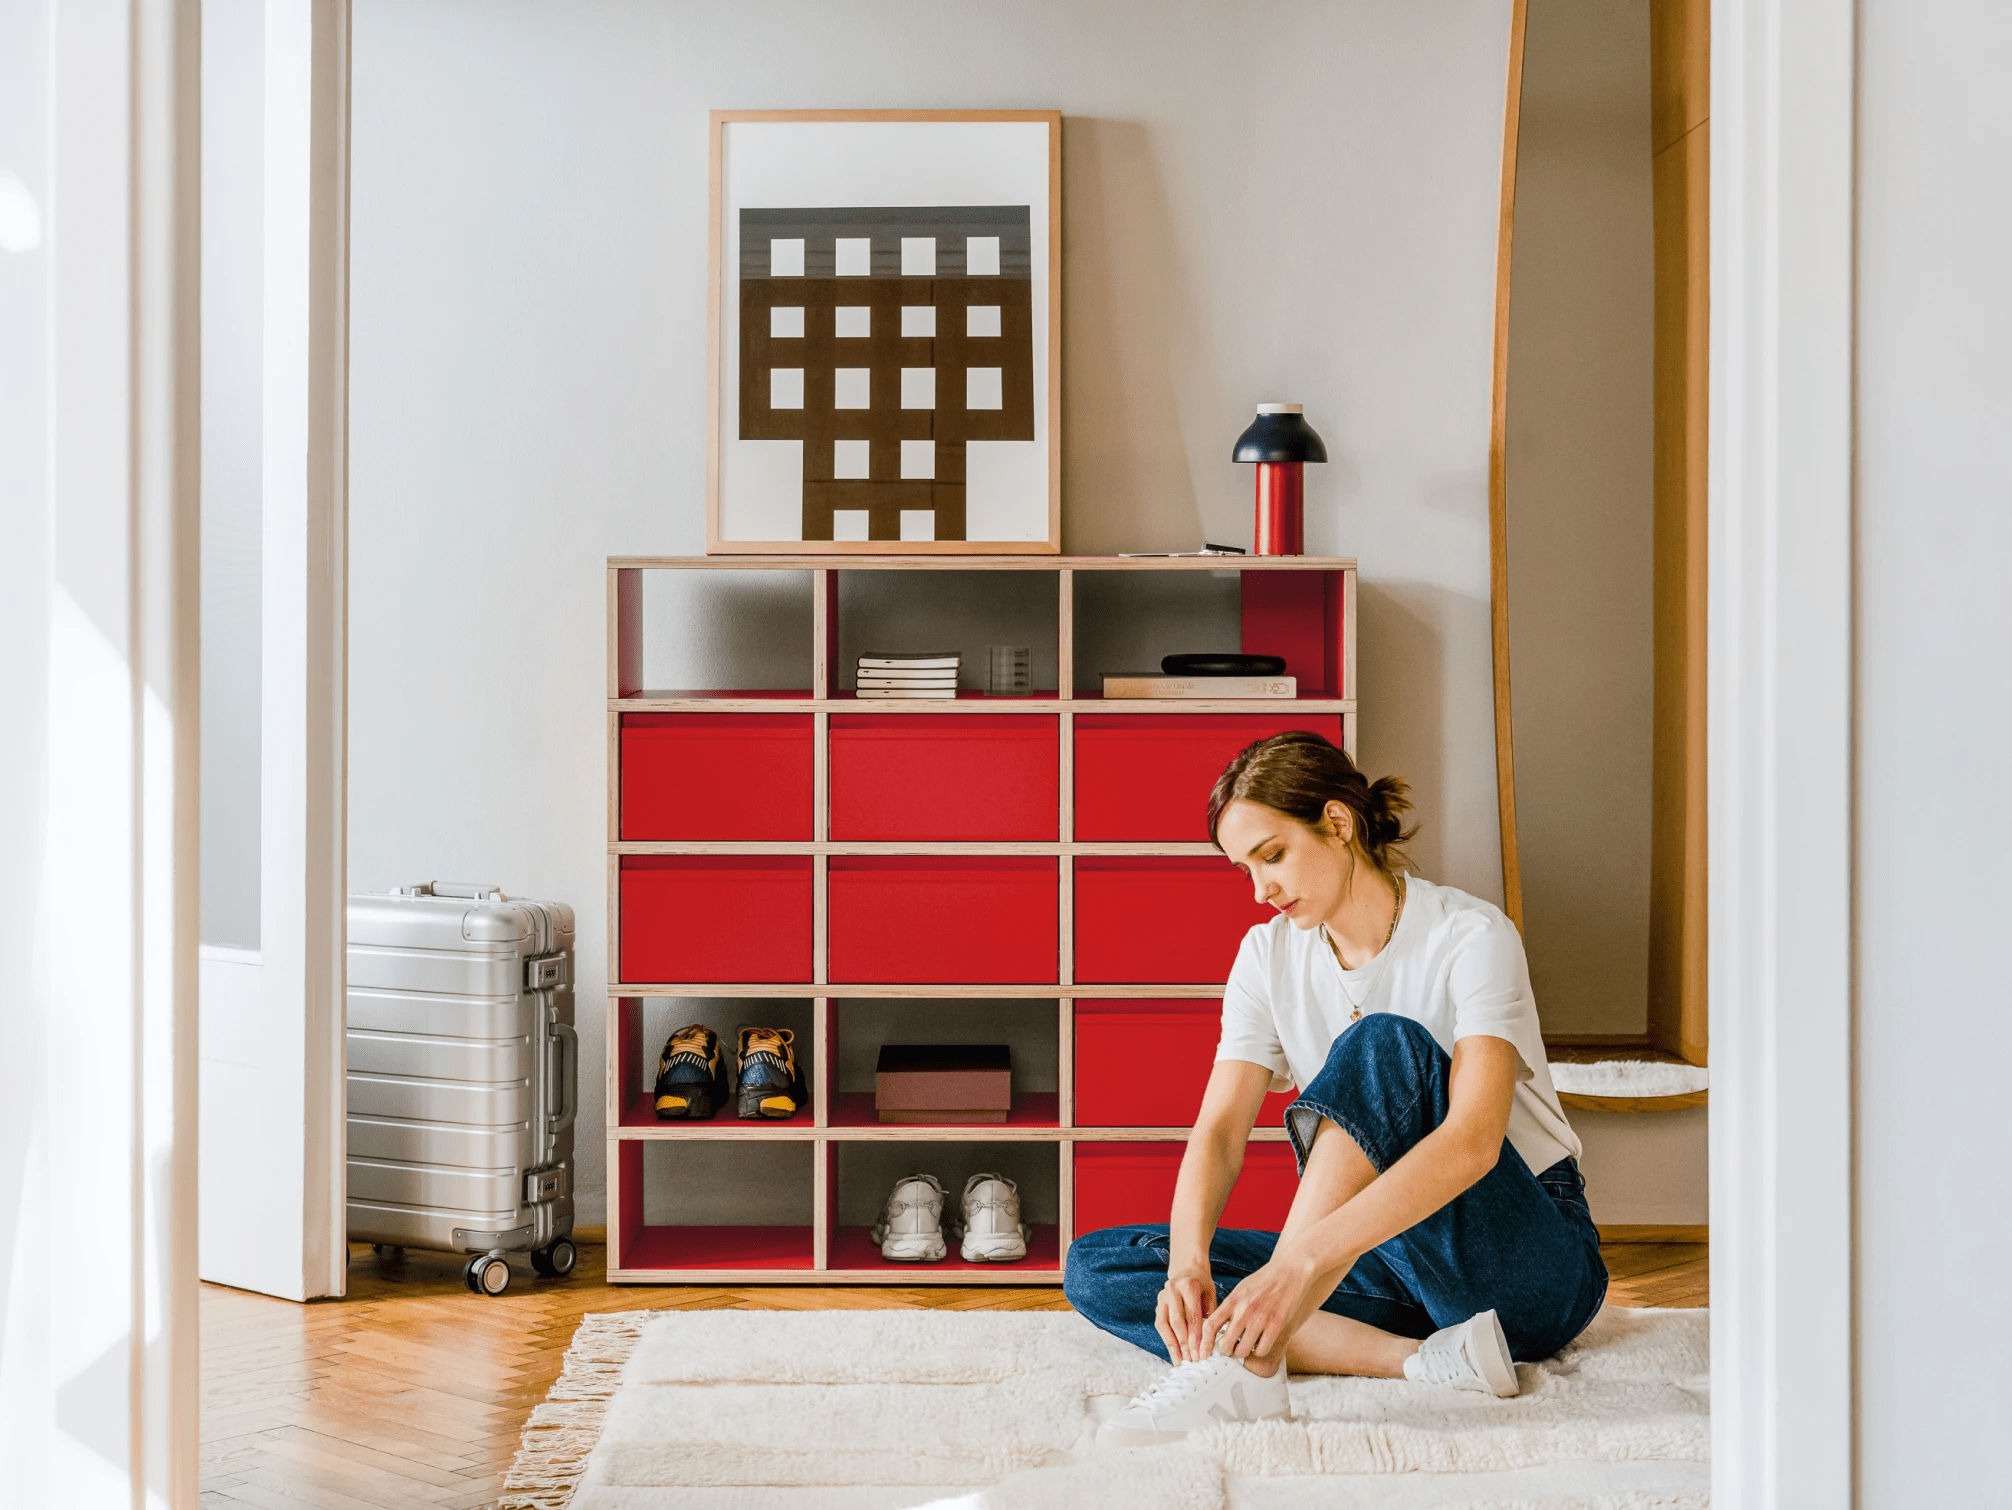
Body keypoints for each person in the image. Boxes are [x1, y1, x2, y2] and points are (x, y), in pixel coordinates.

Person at [1064, 731, 1607, 1448]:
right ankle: (1420, 1361)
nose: (1260, 890)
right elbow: (1222, 1130)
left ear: (1339, 824)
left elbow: (1473, 1143)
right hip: (1389, 1262)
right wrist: (1190, 1264)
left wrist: (1297, 1267)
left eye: (1273, 855)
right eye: (1244, 870)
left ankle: (1250, 1364)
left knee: (1384, 1042)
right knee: (1107, 1265)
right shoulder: (1266, 954)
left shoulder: (1471, 936)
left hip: (1523, 1262)